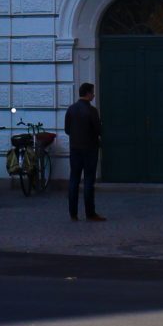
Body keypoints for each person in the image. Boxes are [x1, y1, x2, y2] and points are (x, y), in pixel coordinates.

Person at [65, 82, 106, 222]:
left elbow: (67, 130)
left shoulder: (71, 109)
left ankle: (73, 214)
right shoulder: (92, 111)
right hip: (90, 149)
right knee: (89, 181)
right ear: (88, 94)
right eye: (92, 92)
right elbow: (98, 130)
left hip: (75, 148)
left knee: (74, 180)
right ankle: (90, 212)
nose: (94, 95)